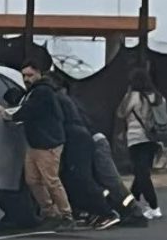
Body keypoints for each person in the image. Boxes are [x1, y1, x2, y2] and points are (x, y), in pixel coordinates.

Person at [46, 72, 147, 227]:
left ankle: (133, 211)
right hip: (91, 142)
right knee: (98, 180)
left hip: (94, 143)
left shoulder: (64, 102)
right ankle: (114, 210)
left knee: (110, 180)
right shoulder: (71, 101)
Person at [0, 60, 75, 231]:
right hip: (35, 142)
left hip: (47, 142)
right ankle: (50, 212)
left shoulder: (43, 92)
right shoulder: (33, 92)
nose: (26, 78)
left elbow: (28, 110)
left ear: (39, 73)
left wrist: (9, 115)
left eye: (30, 75)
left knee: (51, 181)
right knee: (32, 180)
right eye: (24, 75)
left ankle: (66, 215)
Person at [117, 68, 164, 219]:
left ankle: (154, 206)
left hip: (136, 139)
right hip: (154, 139)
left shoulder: (133, 96)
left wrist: (128, 94)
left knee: (142, 174)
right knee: (141, 172)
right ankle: (132, 201)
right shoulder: (157, 97)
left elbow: (121, 113)